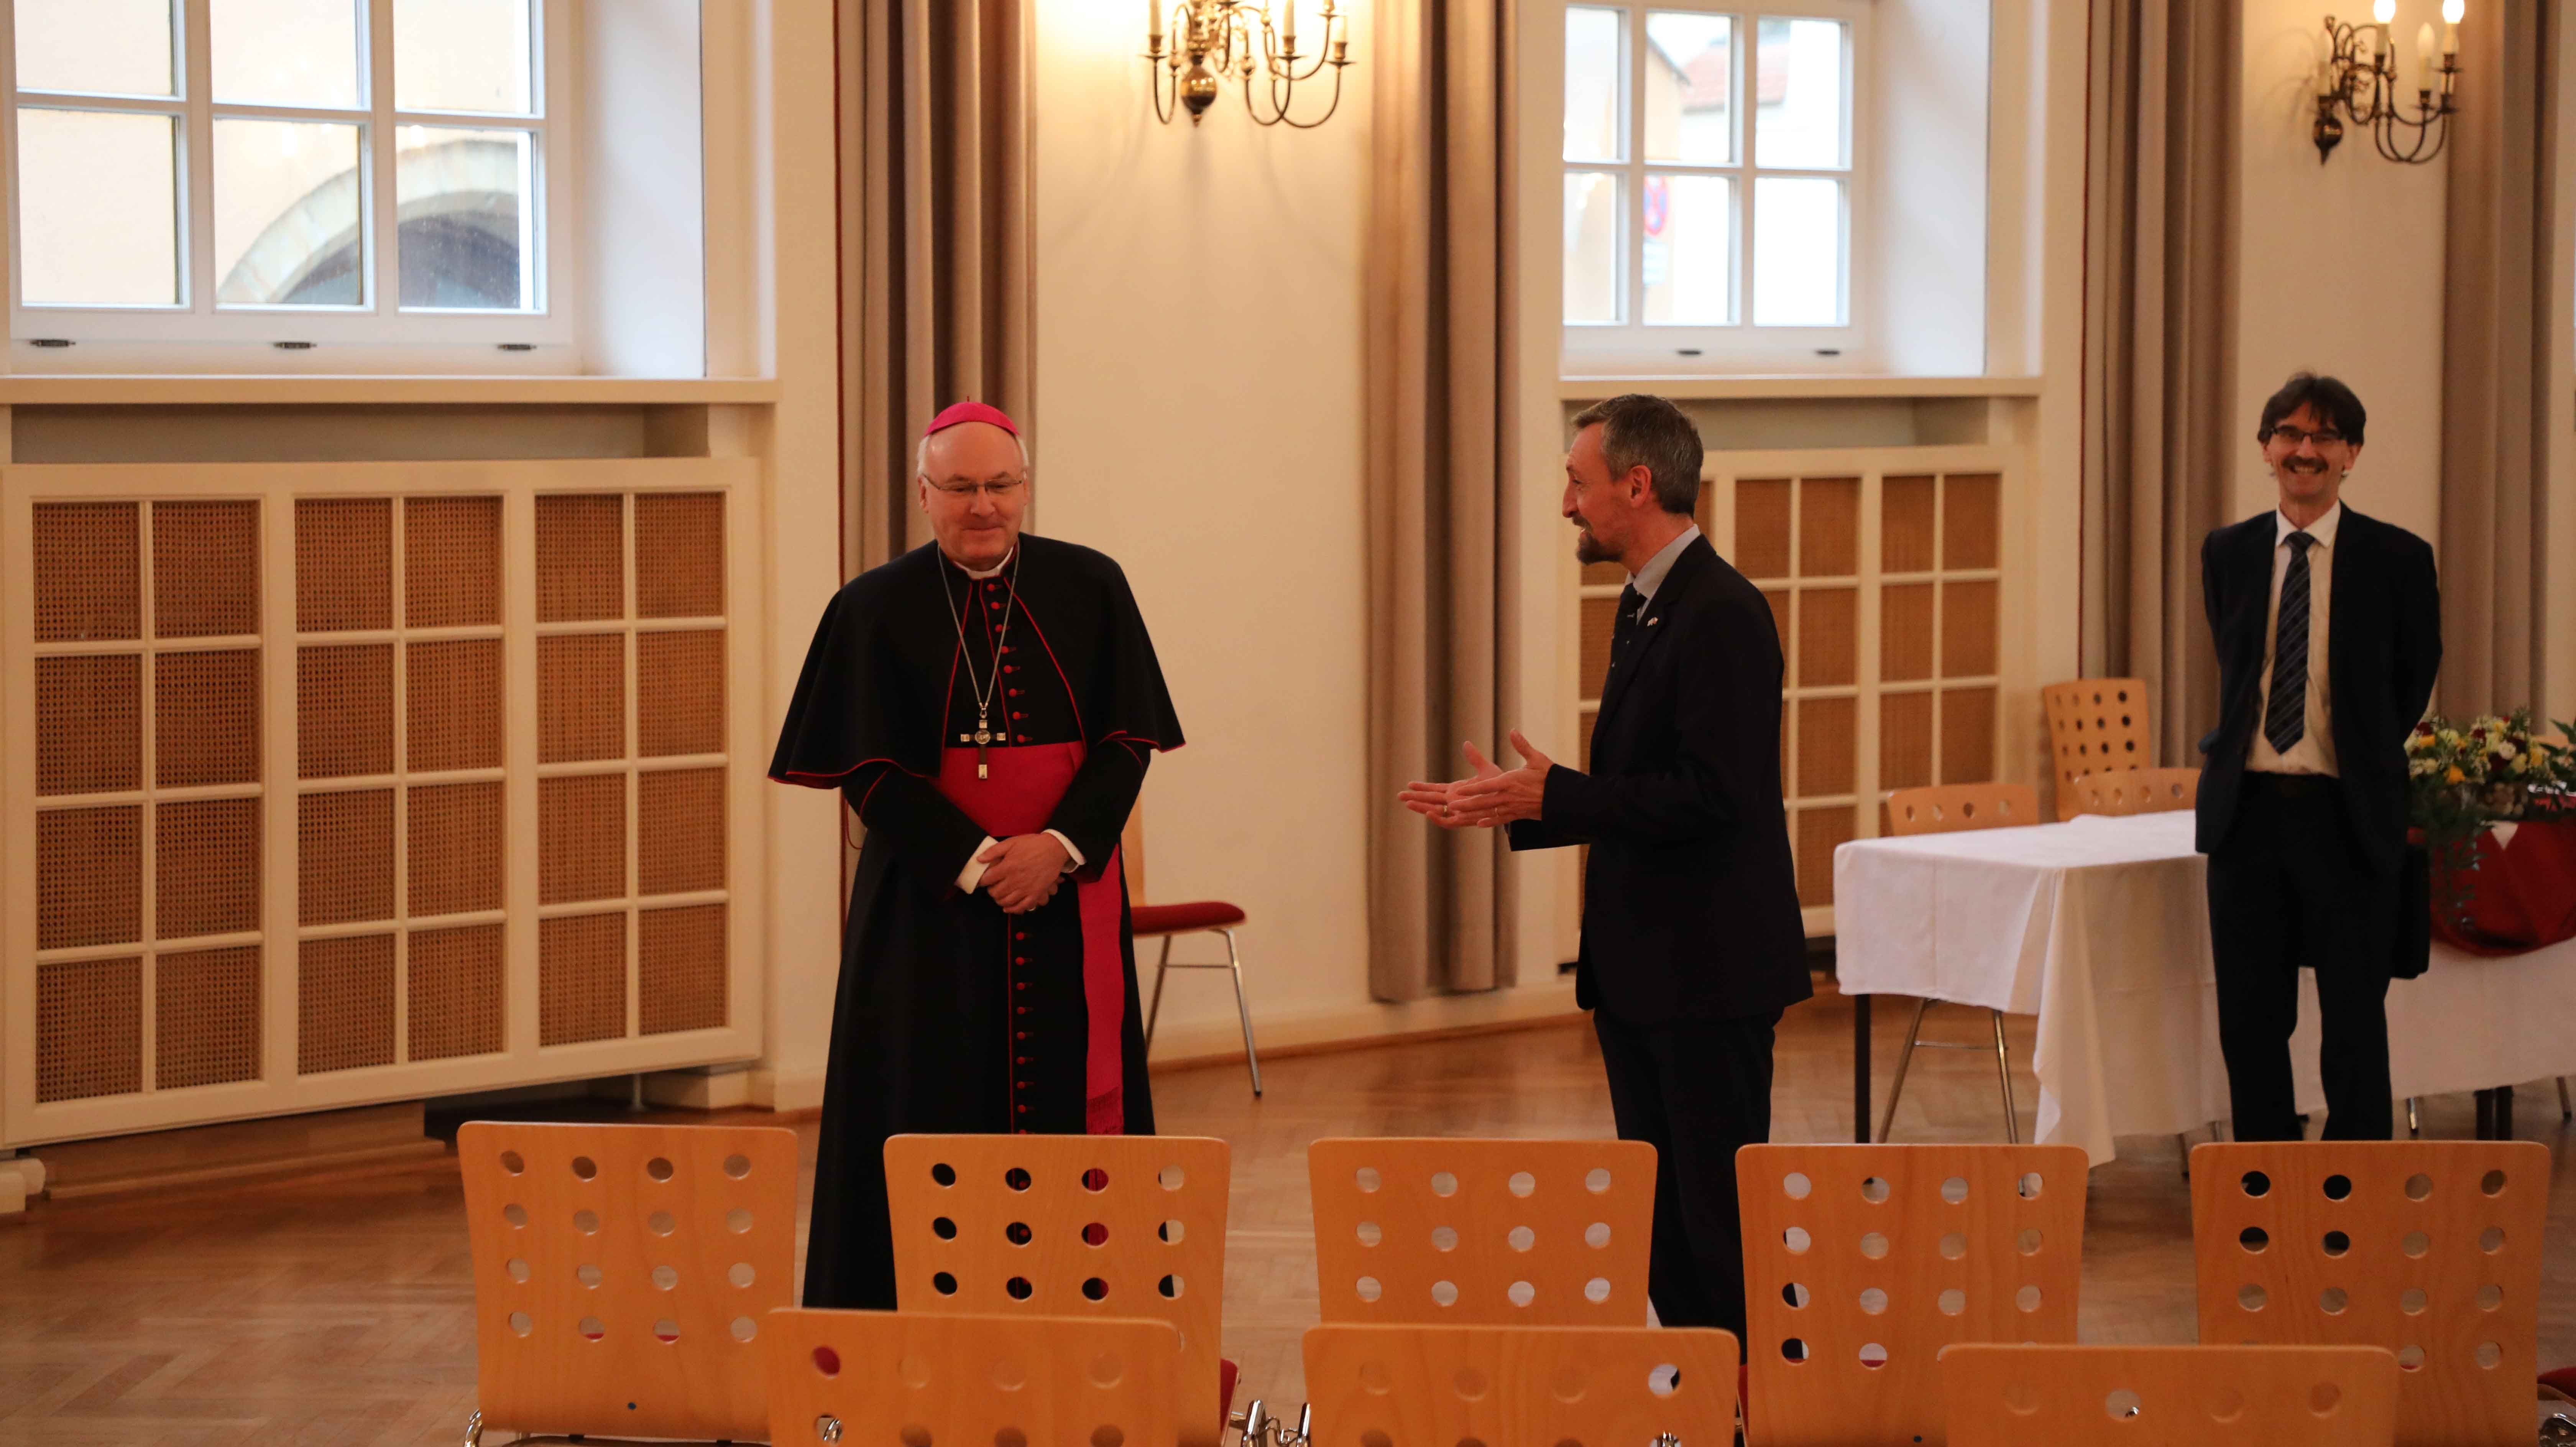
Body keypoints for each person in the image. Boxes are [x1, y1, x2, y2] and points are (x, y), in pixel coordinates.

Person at [1400, 393, 1810, 1342]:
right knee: (1666, 1228)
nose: (1565, 506)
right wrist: (1523, 803)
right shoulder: (1649, 604)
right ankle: (1708, 1397)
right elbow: (1643, 792)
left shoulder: (1723, 613)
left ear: (1638, 483)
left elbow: (1715, 797)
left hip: (1708, 975)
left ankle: (1764, 1400)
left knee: (1723, 1227)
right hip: (1650, 974)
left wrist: (1557, 797)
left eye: (1577, 484)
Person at [769, 401, 1185, 1308]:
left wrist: (1060, 849)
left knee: (1082, 1116)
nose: (983, 506)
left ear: (1026, 488)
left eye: (1000, 485)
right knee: (924, 1102)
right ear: (924, 495)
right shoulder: (874, 607)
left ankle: (1091, 1318)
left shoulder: (1092, 586)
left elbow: (1130, 740)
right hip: (932, 911)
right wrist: (980, 861)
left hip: (1070, 899)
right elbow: (868, 770)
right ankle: (918, 1322)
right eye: (960, 487)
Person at [2197, 372, 2440, 1143]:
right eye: (2291, 436)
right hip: (2250, 818)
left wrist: (2360, 755)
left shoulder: (2399, 558)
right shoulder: (2229, 551)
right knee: (2251, 1022)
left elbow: (2413, 678)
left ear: (2352, 455)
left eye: (2325, 438)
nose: (2306, 452)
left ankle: (2350, 1197)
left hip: (2348, 817)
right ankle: (2265, 1192)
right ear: (2267, 449)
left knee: (2353, 1029)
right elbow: (2236, 672)